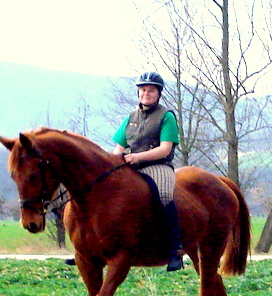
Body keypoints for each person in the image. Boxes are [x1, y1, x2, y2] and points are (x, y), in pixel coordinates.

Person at [67, 72, 184, 271]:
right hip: (129, 164)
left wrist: (139, 157)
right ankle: (86, 247)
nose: (146, 93)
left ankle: (175, 249)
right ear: (139, 92)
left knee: (164, 195)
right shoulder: (131, 117)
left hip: (157, 165)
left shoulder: (167, 116)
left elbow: (165, 148)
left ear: (158, 93)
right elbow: (119, 147)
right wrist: (110, 165)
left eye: (151, 90)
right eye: (143, 90)